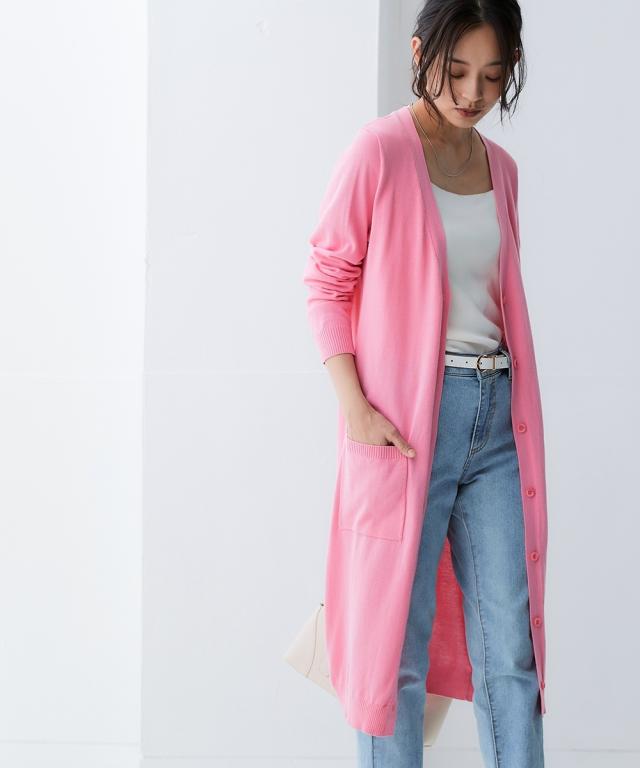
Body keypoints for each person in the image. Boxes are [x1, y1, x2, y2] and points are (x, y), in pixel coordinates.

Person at [302, 1, 546, 766]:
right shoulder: (378, 152)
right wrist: (355, 409)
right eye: (456, 71)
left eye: (492, 77)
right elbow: (325, 280)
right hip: (408, 426)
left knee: (511, 653)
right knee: (393, 651)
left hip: (497, 423)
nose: (473, 93)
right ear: (419, 54)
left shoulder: (502, 171)